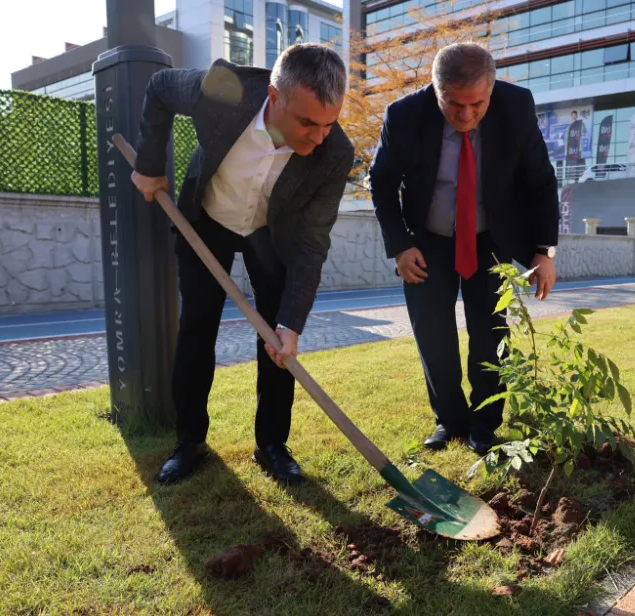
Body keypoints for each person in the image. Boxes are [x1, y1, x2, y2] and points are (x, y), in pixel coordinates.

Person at [129, 44, 354, 486]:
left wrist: (292, 324)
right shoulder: (223, 91)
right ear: (274, 96)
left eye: (329, 123)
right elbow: (159, 88)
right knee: (196, 327)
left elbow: (312, 243)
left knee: (276, 341)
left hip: (271, 233)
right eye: (308, 122)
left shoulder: (335, 154)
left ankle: (272, 445)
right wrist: (150, 164)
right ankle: (189, 440)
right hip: (207, 218)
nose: (319, 136)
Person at [368, 42, 559, 455]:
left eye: (478, 104)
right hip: (426, 243)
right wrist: (399, 245)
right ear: (435, 90)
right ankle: (449, 420)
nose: (467, 116)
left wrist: (544, 251)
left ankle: (485, 423)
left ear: (491, 90)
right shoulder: (403, 115)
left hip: (491, 238)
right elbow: (380, 182)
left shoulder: (516, 105)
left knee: (489, 334)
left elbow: (541, 181)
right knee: (433, 336)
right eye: (454, 105)